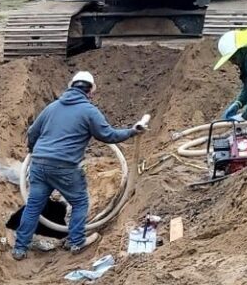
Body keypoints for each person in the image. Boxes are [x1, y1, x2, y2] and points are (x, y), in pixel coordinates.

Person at [12, 71, 147, 260]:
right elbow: (109, 136)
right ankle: (76, 241)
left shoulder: (51, 108)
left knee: (33, 206)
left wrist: (34, 151)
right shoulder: (89, 111)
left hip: (39, 163)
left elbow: (33, 132)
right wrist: (132, 131)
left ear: (70, 86)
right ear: (90, 91)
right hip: (65, 166)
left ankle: (19, 248)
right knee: (80, 202)